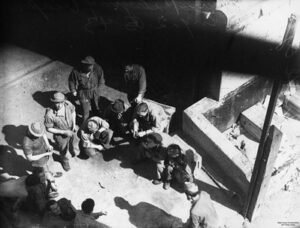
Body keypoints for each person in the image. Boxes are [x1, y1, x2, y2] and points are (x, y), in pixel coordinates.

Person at [45, 92, 78, 171]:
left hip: (71, 128)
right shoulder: (49, 114)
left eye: (61, 102)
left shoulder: (68, 104)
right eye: (56, 103)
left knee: (73, 143)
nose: (59, 105)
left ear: (64, 101)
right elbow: (48, 128)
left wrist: (74, 124)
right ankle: (64, 161)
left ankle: (73, 151)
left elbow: (73, 112)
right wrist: (63, 132)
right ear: (53, 102)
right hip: (60, 135)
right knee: (63, 150)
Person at [69, 56, 105, 122]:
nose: (90, 67)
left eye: (91, 65)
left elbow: (101, 81)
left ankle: (97, 120)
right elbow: (71, 81)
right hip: (83, 92)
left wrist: (98, 91)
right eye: (87, 65)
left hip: (94, 91)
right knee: (85, 111)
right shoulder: (76, 71)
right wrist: (73, 90)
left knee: (96, 108)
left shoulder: (98, 69)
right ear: (84, 64)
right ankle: (84, 124)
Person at [23, 122, 58, 189]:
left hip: (44, 154)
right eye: (38, 135)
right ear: (33, 133)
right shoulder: (26, 143)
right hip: (38, 162)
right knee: (41, 174)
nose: (40, 135)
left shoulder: (38, 131)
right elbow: (30, 158)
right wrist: (45, 154)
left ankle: (49, 174)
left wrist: (48, 145)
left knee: (46, 167)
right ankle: (49, 185)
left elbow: (43, 135)